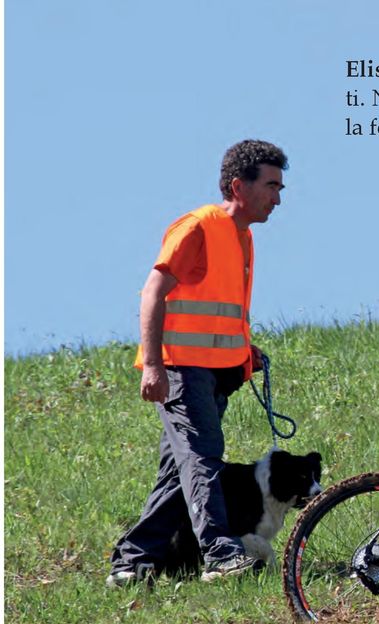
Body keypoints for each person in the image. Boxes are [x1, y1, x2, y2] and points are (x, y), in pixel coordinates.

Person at [108, 139, 288, 587]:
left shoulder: (243, 237)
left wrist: (245, 352)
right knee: (204, 459)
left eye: (281, 187)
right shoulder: (198, 227)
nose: (278, 198)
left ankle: (132, 562)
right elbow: (154, 292)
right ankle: (220, 552)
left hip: (216, 373)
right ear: (237, 186)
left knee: (180, 470)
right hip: (180, 371)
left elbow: (217, 309)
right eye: (270, 186)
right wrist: (152, 365)